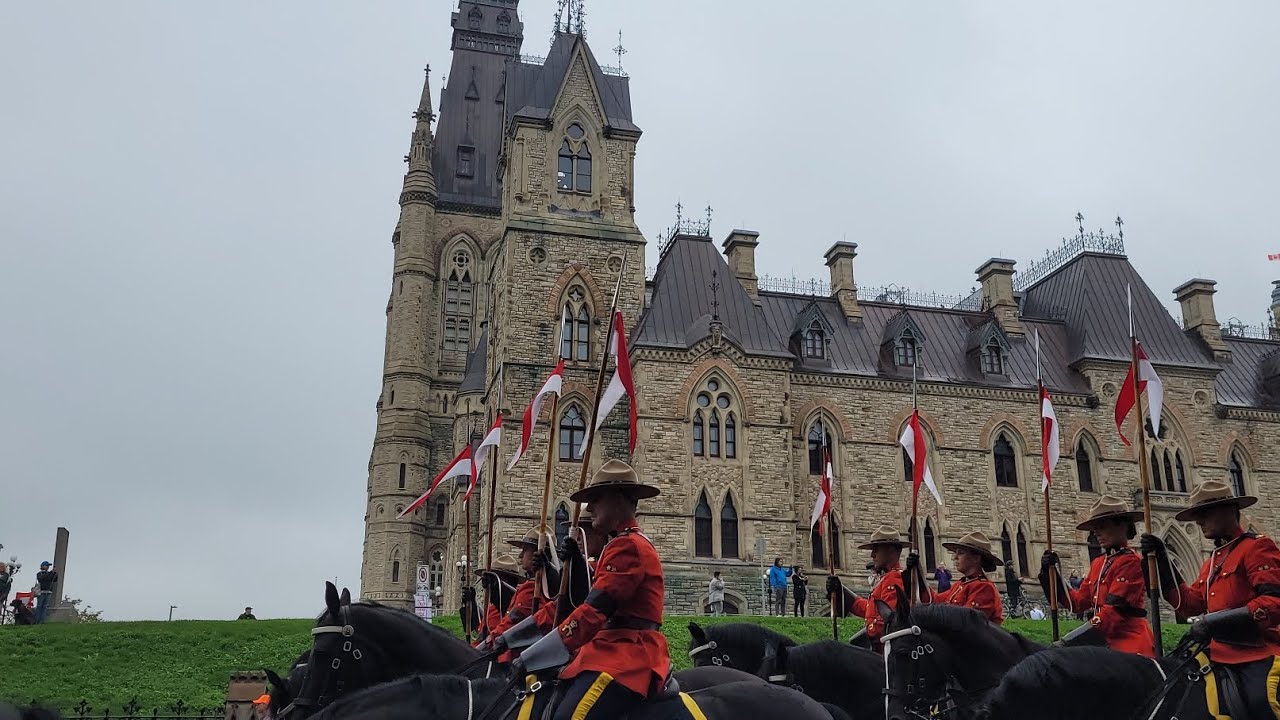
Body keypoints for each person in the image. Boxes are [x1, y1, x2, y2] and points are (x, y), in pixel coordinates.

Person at [513, 460, 668, 720]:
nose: (590, 507)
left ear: (618, 499)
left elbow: (594, 611)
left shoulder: (628, 546)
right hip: (607, 650)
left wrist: (537, 652)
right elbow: (579, 598)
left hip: (628, 656)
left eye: (596, 499)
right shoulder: (618, 545)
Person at [1141, 480, 1280, 718]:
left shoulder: (1257, 547)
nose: (1199, 521)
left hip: (1256, 651)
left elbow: (1274, 602)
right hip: (1216, 652)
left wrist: (1215, 623)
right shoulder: (1212, 562)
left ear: (1228, 511)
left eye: (1204, 514)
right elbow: (1190, 604)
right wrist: (1163, 564)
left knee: (1262, 701)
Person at [1041, 495, 1154, 657]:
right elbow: (1077, 603)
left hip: (1129, 643)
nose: (1096, 533)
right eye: (1095, 528)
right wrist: (1052, 575)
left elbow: (1113, 613)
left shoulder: (1131, 562)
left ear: (1122, 526)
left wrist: (1069, 641)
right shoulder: (1098, 563)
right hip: (1103, 642)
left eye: (1103, 526)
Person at [827, 526, 928, 650]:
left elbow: (889, 620)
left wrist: (868, 635)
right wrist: (840, 591)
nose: (872, 555)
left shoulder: (895, 578)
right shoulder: (886, 578)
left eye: (876, 549)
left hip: (884, 650)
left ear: (891, 550)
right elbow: (871, 610)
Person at [935, 531, 1004, 624]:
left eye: (961, 553)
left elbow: (968, 622)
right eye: (956, 553)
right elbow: (934, 600)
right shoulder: (959, 585)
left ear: (976, 558)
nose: (955, 557)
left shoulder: (984, 587)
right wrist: (918, 576)